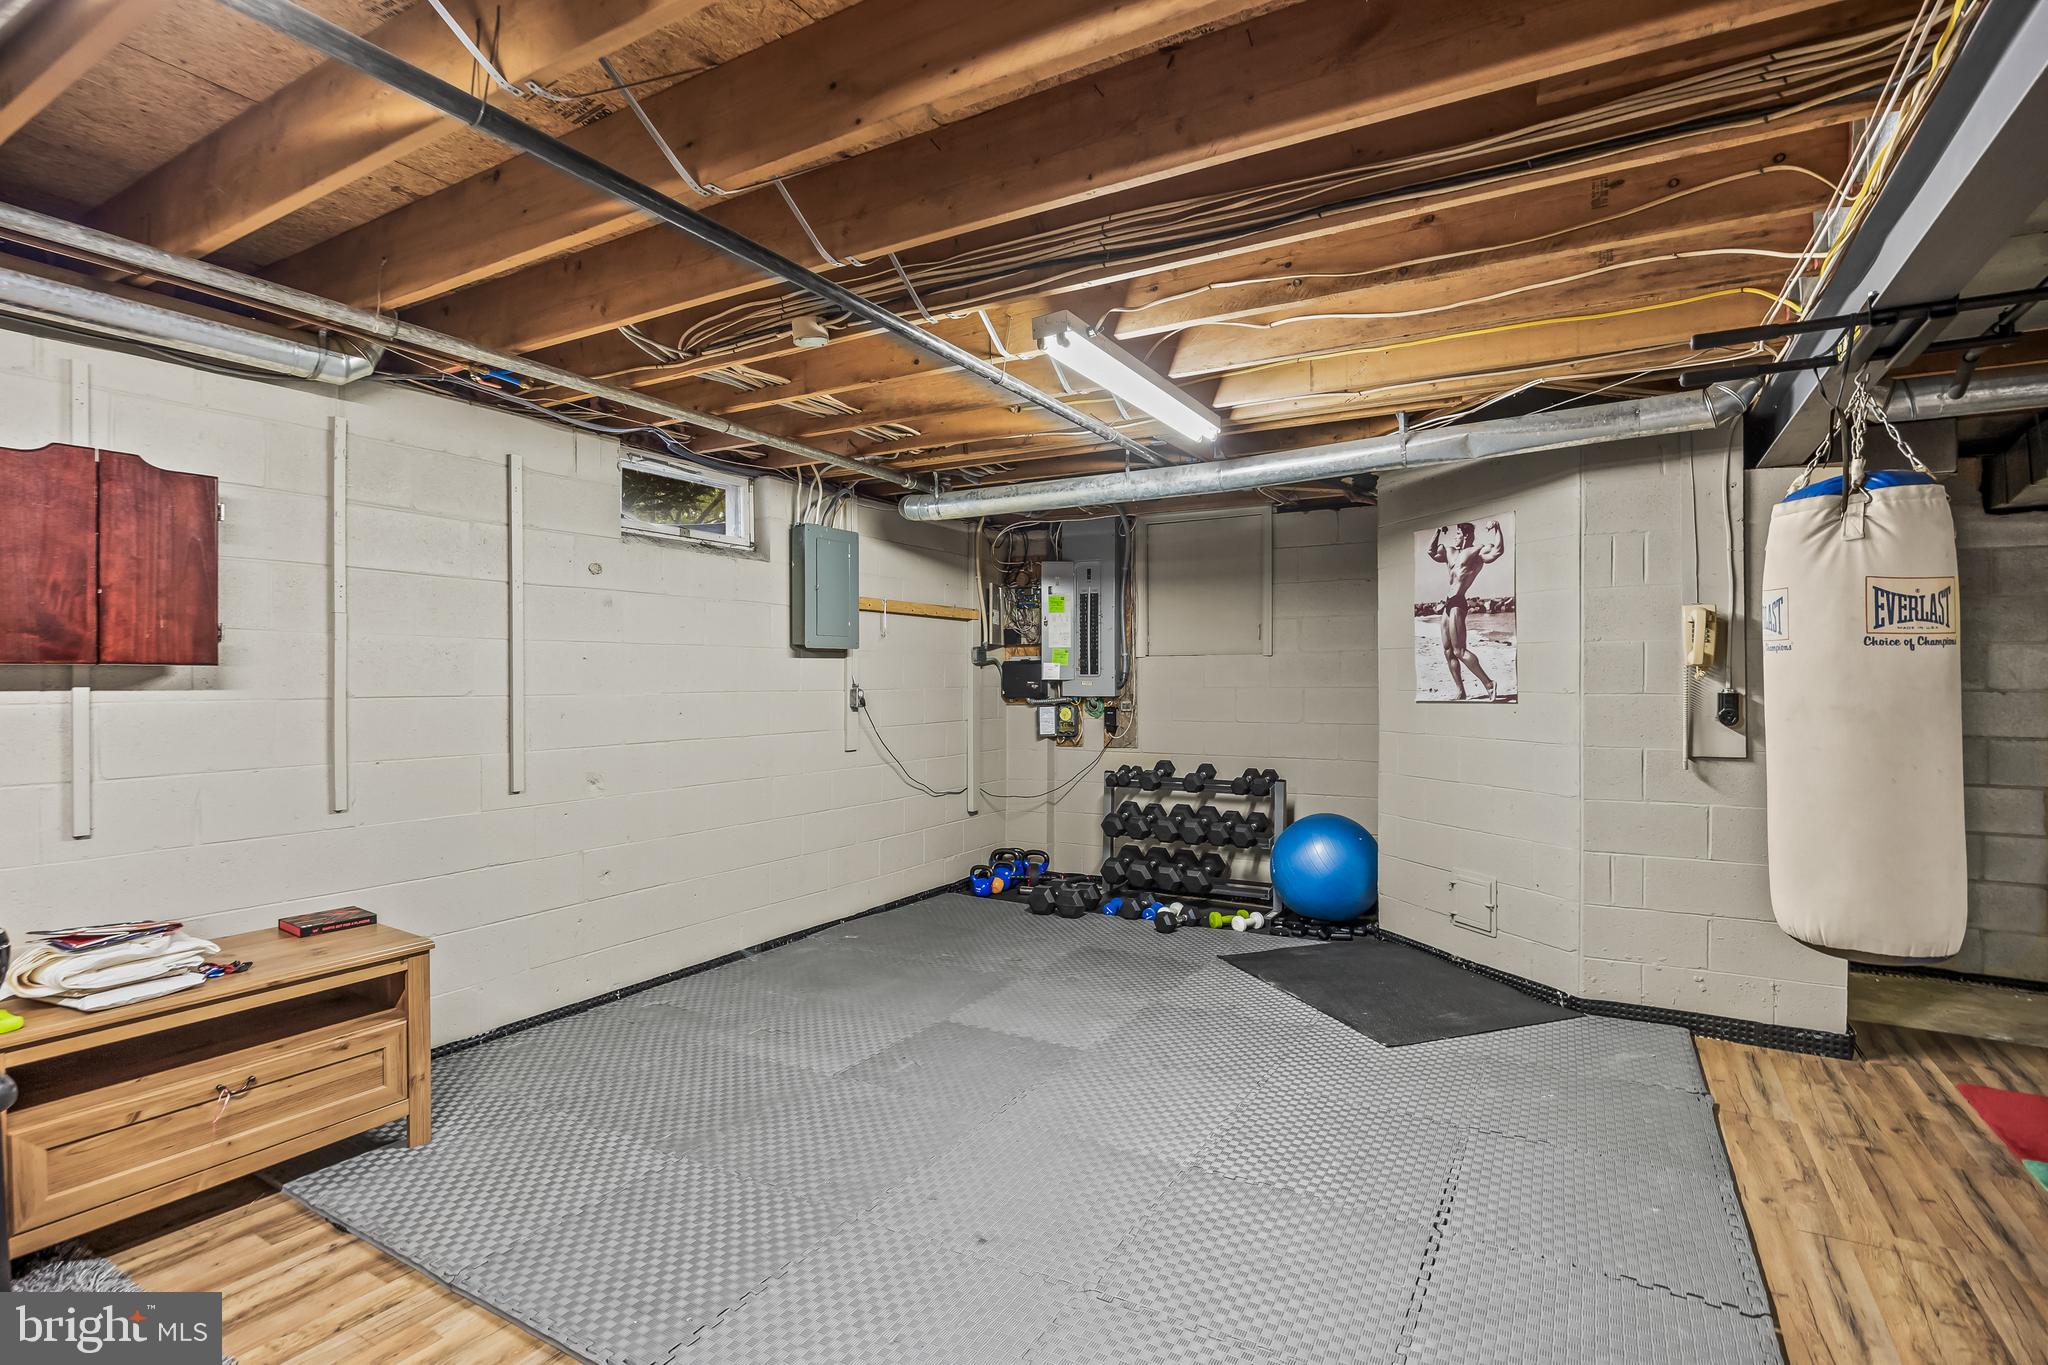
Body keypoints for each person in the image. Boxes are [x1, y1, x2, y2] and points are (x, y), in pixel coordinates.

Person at [1425, 519, 1505, 700]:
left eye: (1458, 534)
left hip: (1458, 602)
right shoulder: (1450, 552)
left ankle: (1489, 683)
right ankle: (1461, 692)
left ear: (1466, 535)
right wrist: (1437, 530)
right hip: (1447, 603)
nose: (1455, 537)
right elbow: (1431, 551)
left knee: (1459, 650)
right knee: (1448, 651)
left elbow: (1498, 551)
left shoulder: (1477, 551)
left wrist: (1497, 528)